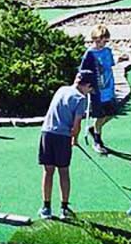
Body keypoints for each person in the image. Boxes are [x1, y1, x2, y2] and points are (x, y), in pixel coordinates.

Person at [38, 68, 94, 219]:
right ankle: (64, 209)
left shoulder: (61, 89)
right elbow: (76, 125)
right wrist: (74, 139)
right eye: (90, 89)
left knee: (48, 171)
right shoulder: (81, 99)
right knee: (63, 171)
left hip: (46, 133)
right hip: (62, 137)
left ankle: (46, 208)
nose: (89, 92)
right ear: (86, 85)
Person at [80, 25, 118, 155]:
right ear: (94, 39)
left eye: (104, 41)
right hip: (97, 92)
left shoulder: (107, 51)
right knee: (100, 115)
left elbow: (111, 67)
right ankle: (97, 141)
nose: (102, 44)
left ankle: (94, 128)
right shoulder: (89, 54)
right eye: (99, 41)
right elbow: (83, 72)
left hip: (108, 88)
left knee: (112, 113)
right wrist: (87, 88)